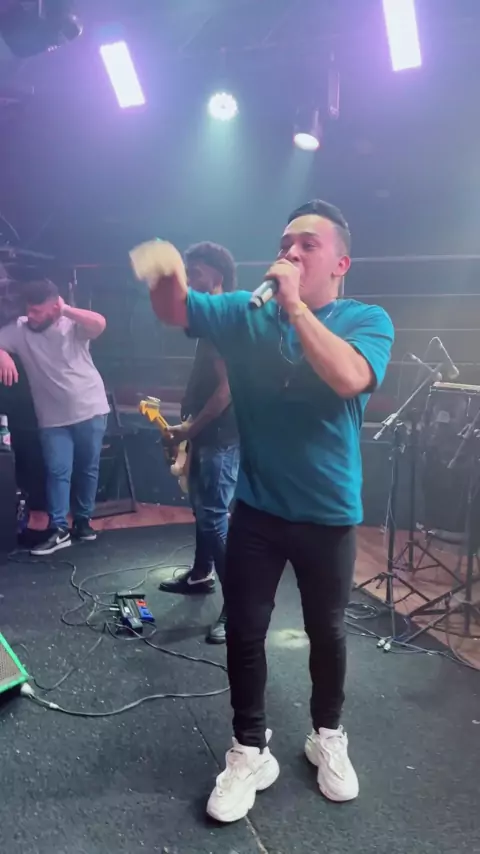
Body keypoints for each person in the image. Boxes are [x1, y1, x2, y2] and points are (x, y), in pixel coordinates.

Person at [139, 200, 394, 822]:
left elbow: (348, 377)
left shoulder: (366, 319)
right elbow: (176, 310)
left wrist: (296, 307)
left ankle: (327, 734)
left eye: (307, 245)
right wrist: (163, 275)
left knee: (327, 631)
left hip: (328, 513)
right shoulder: (245, 312)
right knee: (246, 631)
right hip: (257, 508)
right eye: (284, 244)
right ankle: (249, 749)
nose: (290, 252)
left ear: (340, 263)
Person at [157, 242, 240, 645]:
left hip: (222, 436)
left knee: (214, 516)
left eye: (196, 275)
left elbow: (227, 391)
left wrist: (189, 430)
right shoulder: (211, 324)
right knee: (204, 510)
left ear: (217, 277)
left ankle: (239, 605)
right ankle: (201, 574)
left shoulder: (224, 323)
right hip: (206, 432)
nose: (189, 283)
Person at [0, 278, 109, 555]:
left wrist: (67, 310)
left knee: (87, 468)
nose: (31, 315)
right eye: (29, 309)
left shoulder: (71, 324)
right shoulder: (20, 329)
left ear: (53, 308)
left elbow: (99, 323)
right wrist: (2, 354)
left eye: (38, 311)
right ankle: (59, 528)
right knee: (58, 470)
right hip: (51, 417)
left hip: (90, 407)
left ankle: (83, 522)